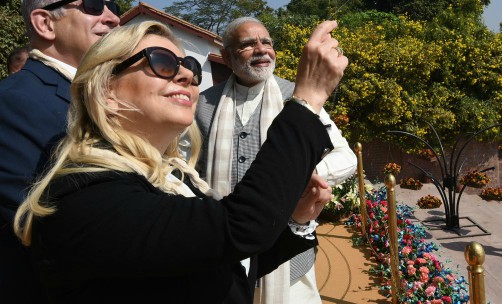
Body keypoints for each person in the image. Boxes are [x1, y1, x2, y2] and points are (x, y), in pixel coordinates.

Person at [13, 19, 346, 303]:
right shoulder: (88, 195)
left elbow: (222, 261)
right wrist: (306, 102)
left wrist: (295, 220)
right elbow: (237, 229)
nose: (186, 75)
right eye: (161, 62)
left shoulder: (173, 178)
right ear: (105, 91)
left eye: (189, 65)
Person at [196, 16, 356, 304]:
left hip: (287, 256)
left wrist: (301, 172)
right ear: (227, 57)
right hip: (221, 248)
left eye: (266, 42)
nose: (261, 49)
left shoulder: (298, 99)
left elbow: (346, 158)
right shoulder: (202, 104)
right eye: (248, 44)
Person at [0, 0, 120, 302]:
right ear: (45, 23)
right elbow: (38, 225)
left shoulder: (104, 99)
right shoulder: (13, 102)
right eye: (94, 7)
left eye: (114, 7)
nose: (113, 17)